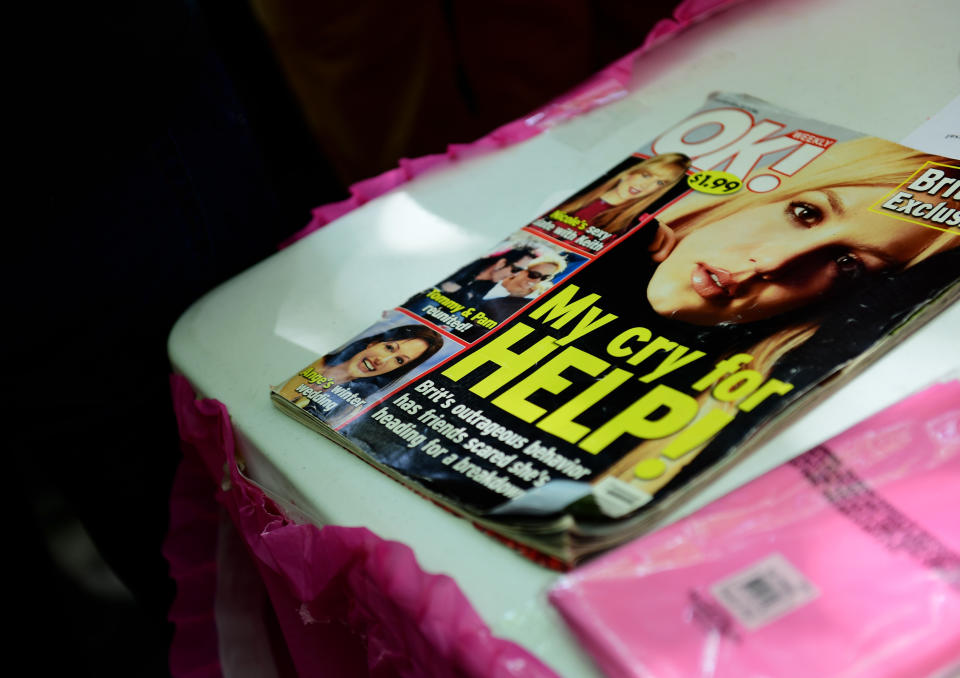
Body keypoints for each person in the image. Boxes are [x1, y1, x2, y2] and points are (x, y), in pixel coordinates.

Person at [602, 136, 960, 487]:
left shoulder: (737, 414)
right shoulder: (599, 225)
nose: (773, 262)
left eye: (846, 264)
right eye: (805, 213)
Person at [276, 324, 444, 419]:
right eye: (389, 348)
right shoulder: (308, 361)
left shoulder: (352, 409)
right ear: (374, 343)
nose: (382, 361)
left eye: (399, 360)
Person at [551, 152, 690, 237]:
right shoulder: (567, 195)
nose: (645, 185)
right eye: (646, 175)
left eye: (660, 183)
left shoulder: (627, 227)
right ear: (630, 172)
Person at [472, 251, 568, 321]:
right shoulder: (496, 279)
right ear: (522, 269)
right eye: (534, 274)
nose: (537, 280)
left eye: (545, 277)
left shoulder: (535, 299)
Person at [438, 245, 538, 294]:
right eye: (516, 269)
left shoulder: (490, 285)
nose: (515, 275)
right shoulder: (468, 266)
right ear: (501, 263)